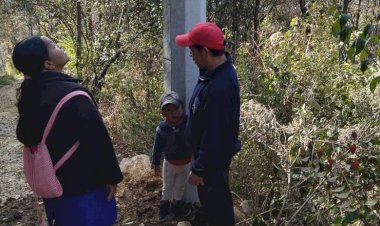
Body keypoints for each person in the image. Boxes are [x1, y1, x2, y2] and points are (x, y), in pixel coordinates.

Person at [13, 35, 123, 226]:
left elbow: (25, 135)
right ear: (48, 63)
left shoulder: (30, 93)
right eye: (53, 45)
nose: (60, 46)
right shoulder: (73, 95)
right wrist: (112, 176)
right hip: (84, 189)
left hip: (53, 186)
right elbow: (98, 141)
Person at [175, 22, 241, 226]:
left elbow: (217, 133)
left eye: (192, 52)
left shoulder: (220, 87)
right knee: (211, 204)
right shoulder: (211, 72)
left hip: (212, 163)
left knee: (218, 206)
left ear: (204, 51)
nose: (191, 57)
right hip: (208, 159)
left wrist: (200, 168)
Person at [151, 91, 193, 223]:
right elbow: (157, 147)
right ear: (162, 113)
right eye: (167, 110)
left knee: (180, 186)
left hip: (186, 163)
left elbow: (196, 139)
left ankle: (176, 207)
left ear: (182, 108)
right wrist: (155, 163)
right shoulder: (162, 128)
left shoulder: (188, 123)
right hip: (169, 164)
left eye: (175, 109)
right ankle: (163, 211)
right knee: (167, 187)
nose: (172, 113)